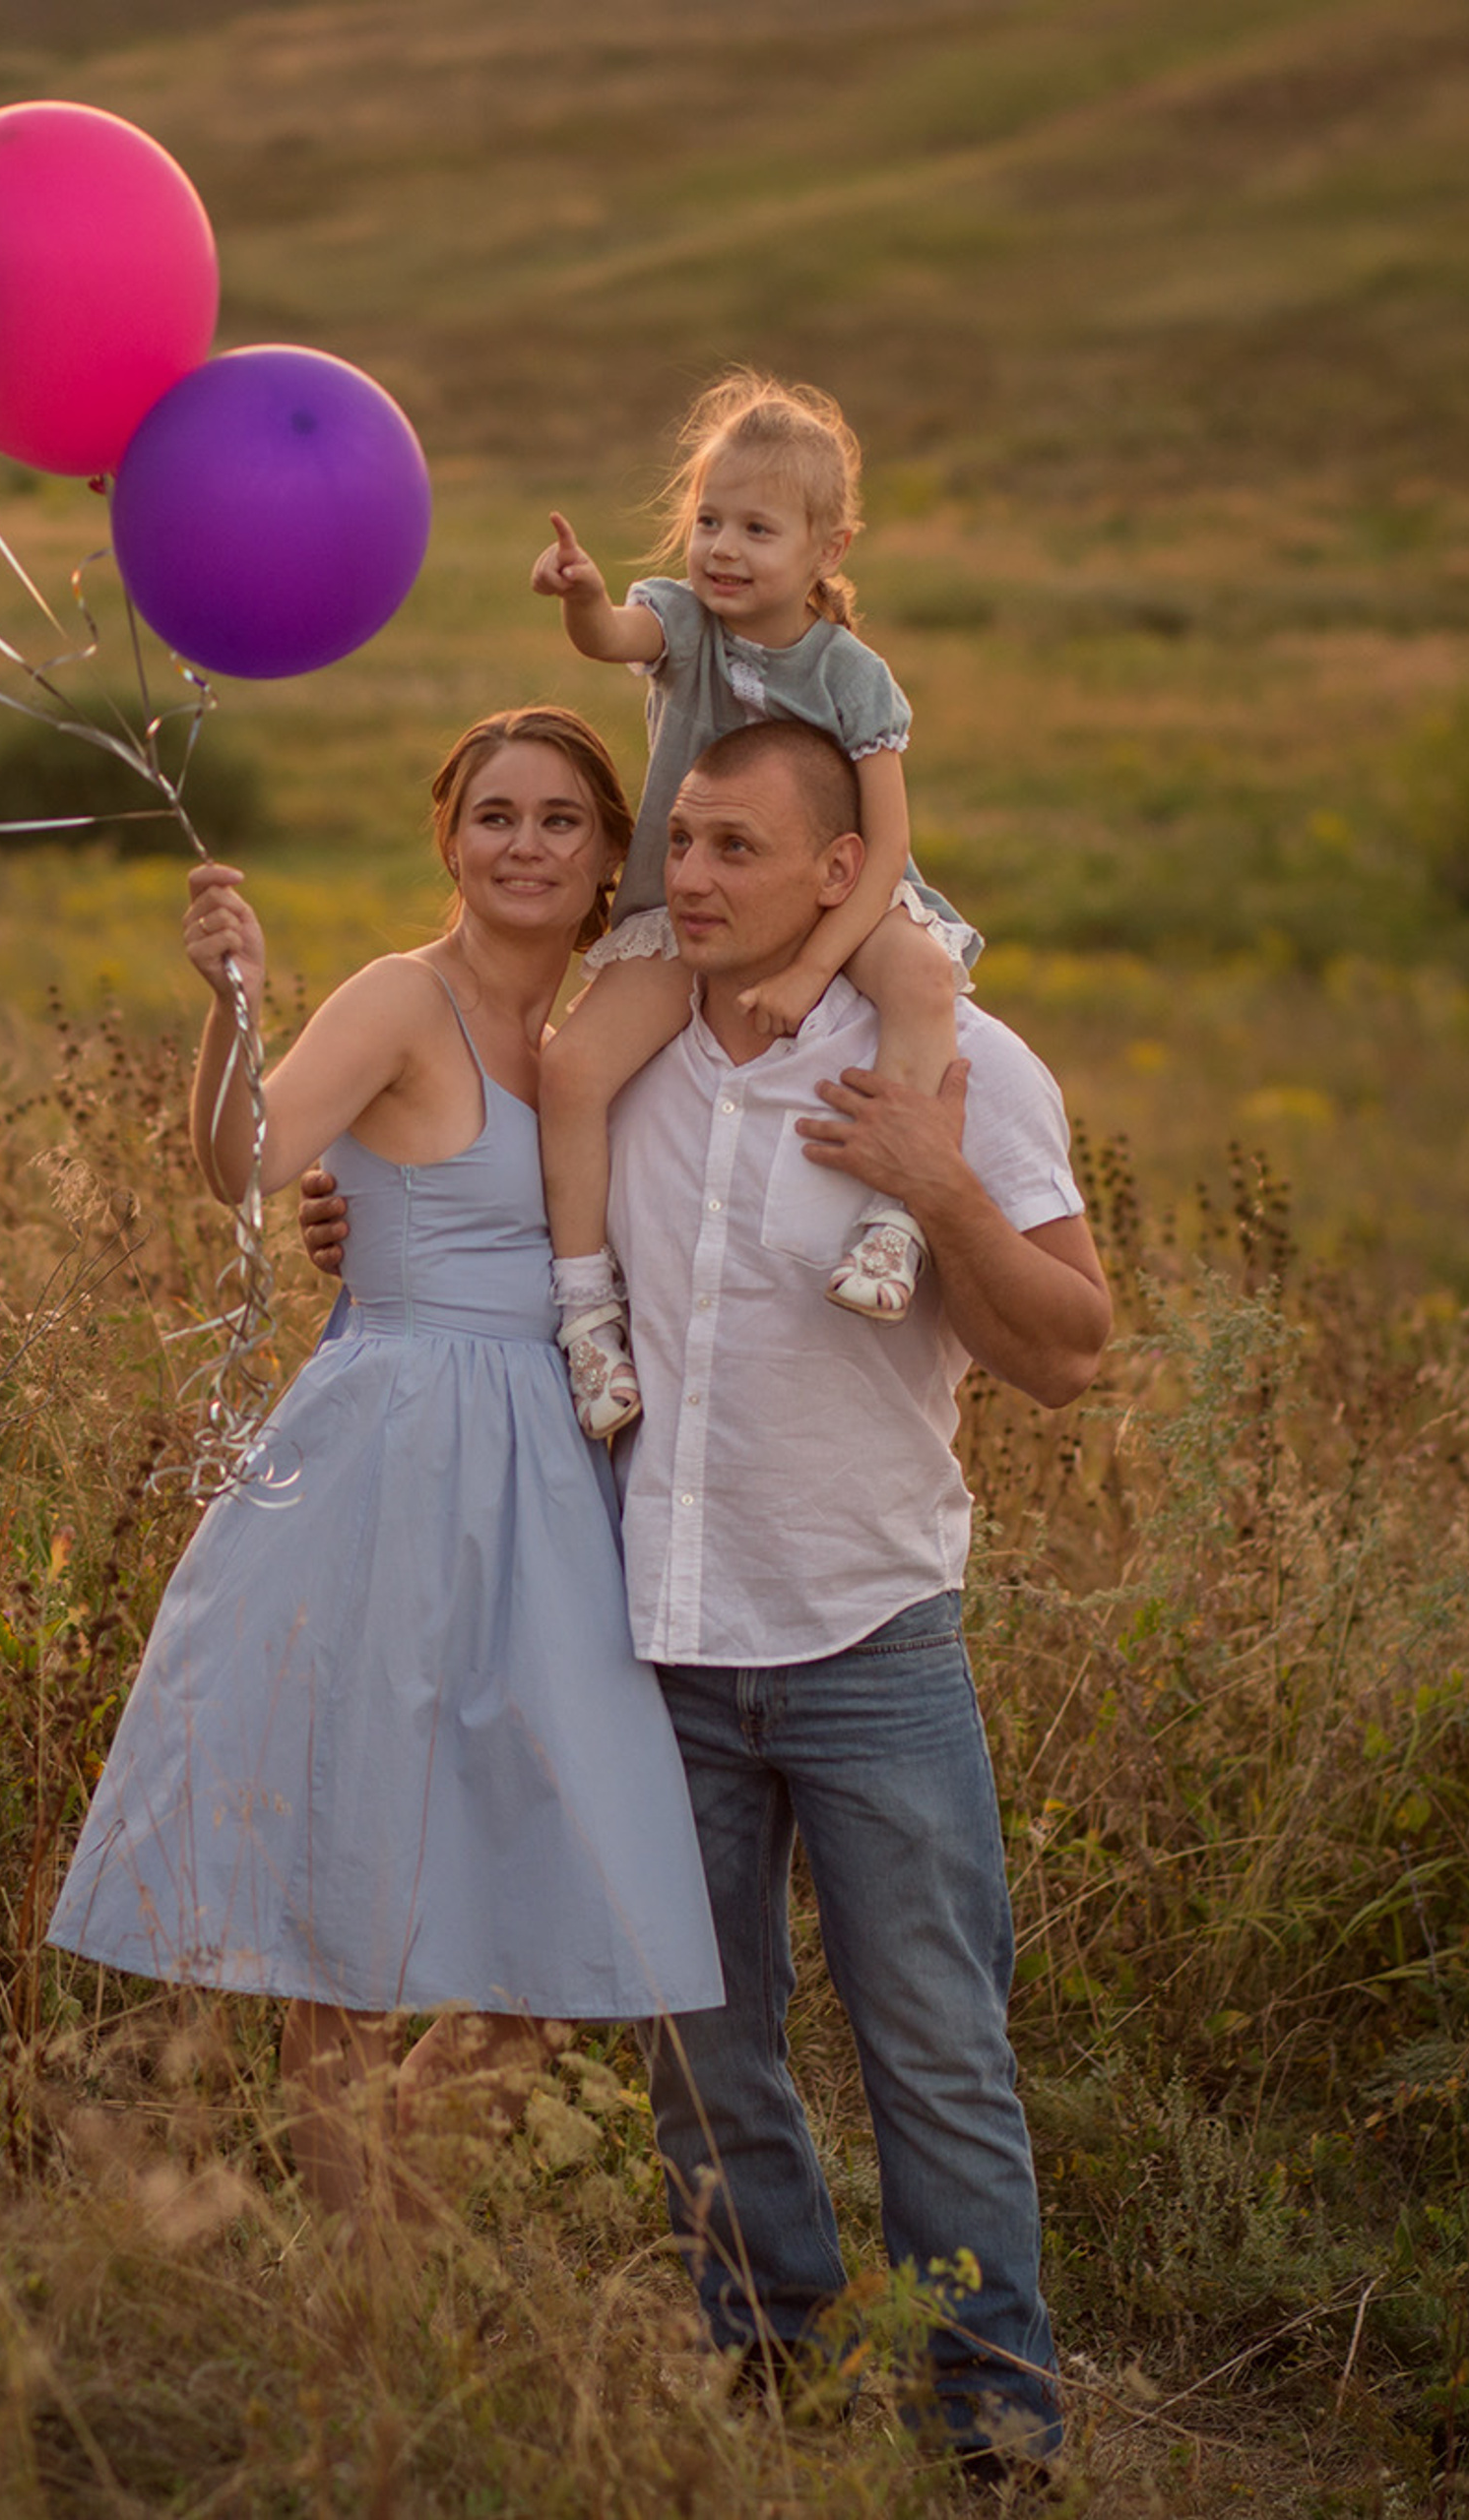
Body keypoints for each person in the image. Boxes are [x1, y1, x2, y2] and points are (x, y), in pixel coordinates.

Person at [303, 719, 1109, 2473]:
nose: (692, 878)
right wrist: (342, 1220)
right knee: (703, 2052)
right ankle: (775, 2373)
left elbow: (1070, 1352)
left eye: (739, 848)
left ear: (843, 870)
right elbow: (475, 1220)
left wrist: (937, 1185)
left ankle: (991, 2422)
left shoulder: (963, 1062)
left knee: (936, 2052)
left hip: (871, 1634)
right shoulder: (627, 1057)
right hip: (654, 1642)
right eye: (680, 843)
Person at [48, 708, 723, 2222]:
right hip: (396, 1463)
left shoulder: (626, 1024)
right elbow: (248, 1159)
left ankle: (393, 2208)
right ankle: (371, 2295)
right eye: (495, 816)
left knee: (578, 1904)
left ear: (611, 856)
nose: (525, 845)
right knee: (353, 1895)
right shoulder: (401, 1001)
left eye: (560, 819)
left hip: (564, 1489)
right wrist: (234, 1005)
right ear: (450, 840)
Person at [527, 369, 981, 1439]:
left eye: (757, 529)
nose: (722, 549)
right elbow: (611, 638)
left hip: (837, 895)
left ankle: (889, 1228)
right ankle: (588, 1314)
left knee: (923, 979)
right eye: (709, 521)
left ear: (829, 549)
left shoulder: (852, 675)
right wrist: (582, 596)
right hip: (688, 896)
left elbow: (886, 847)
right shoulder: (685, 623)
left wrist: (814, 966)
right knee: (574, 1069)